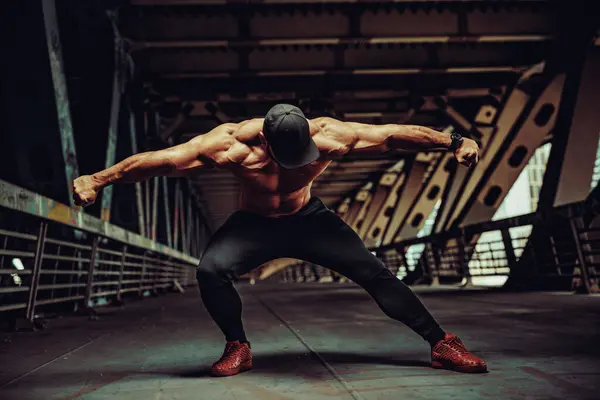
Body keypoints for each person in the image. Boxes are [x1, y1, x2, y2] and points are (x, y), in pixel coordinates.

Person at [73, 104, 486, 377]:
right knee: (211, 271)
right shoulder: (229, 143)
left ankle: (441, 343)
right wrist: (97, 179)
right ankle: (238, 346)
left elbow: (393, 134)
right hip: (253, 224)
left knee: (374, 271)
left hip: (309, 219)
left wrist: (454, 141)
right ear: (266, 142)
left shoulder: (328, 135)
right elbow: (159, 162)